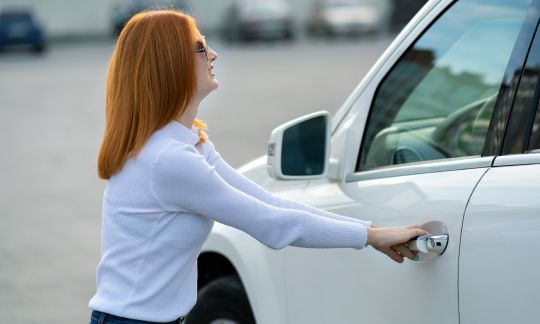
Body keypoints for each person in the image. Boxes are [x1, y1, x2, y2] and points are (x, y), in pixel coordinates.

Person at [88, 9, 427, 324]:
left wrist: (372, 230)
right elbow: (271, 225)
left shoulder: (185, 142)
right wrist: (369, 237)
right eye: (201, 47)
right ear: (170, 62)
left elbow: (269, 203)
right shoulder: (169, 160)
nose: (214, 54)